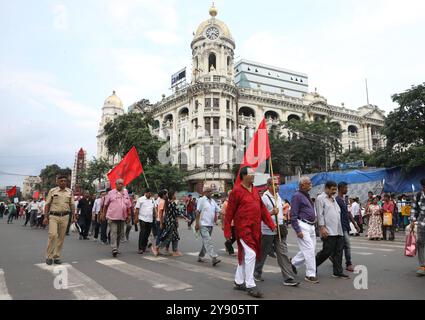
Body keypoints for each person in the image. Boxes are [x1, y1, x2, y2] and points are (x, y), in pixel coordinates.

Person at [225, 166, 276, 298]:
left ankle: (238, 281)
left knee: (245, 255)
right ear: (243, 176)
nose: (253, 176)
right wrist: (227, 231)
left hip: (255, 228)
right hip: (242, 228)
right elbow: (229, 212)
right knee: (251, 253)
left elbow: (262, 209)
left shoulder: (254, 190)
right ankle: (250, 284)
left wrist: (271, 224)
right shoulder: (236, 191)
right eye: (251, 174)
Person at [254, 177, 299, 286]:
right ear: (268, 186)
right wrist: (271, 212)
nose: (277, 186)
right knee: (263, 253)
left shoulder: (278, 196)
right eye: (274, 184)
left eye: (277, 184)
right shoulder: (264, 198)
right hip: (267, 230)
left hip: (280, 228)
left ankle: (288, 277)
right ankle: (256, 272)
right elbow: (258, 215)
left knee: (283, 253)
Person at [315, 181, 349, 279]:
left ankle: (338, 272)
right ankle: (312, 266)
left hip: (338, 229)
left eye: (335, 189)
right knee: (327, 251)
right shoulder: (320, 199)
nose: (334, 192)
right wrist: (322, 227)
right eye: (332, 189)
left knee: (339, 252)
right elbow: (320, 214)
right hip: (328, 230)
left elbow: (337, 212)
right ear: (326, 188)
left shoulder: (333, 199)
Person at [290, 177, 319, 284]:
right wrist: (298, 230)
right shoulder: (297, 196)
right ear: (302, 185)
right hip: (302, 225)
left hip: (311, 226)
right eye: (308, 183)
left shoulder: (306, 195)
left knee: (310, 249)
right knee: (309, 251)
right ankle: (310, 274)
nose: (311, 184)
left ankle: (293, 263)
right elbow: (293, 214)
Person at [43, 175, 76, 265]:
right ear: (57, 182)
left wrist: (74, 216)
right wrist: (45, 217)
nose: (63, 182)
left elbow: (72, 204)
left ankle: (56, 256)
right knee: (53, 235)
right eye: (61, 181)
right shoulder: (52, 191)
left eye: (65, 181)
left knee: (61, 237)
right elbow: (47, 204)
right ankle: (49, 256)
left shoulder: (70, 192)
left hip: (65, 216)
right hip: (53, 216)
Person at [100, 179, 131, 257]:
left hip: (122, 216)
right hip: (112, 216)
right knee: (114, 232)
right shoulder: (110, 193)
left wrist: (129, 215)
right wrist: (103, 214)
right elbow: (106, 205)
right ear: (116, 184)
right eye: (119, 183)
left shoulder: (125, 192)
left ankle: (116, 248)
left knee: (119, 233)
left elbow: (128, 205)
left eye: (122, 184)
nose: (121, 185)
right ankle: (114, 248)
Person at [335, 182, 359, 273]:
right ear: (340, 188)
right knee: (346, 245)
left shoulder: (346, 200)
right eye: (345, 188)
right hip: (339, 226)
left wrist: (355, 225)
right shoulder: (336, 200)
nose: (347, 189)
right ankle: (348, 263)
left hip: (346, 225)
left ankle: (335, 258)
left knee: (342, 245)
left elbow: (349, 213)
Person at [195, 186, 221, 265]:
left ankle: (200, 256)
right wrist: (197, 223)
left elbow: (218, 210)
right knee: (208, 241)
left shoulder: (212, 201)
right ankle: (214, 257)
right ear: (205, 192)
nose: (211, 193)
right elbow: (197, 212)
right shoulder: (201, 200)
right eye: (209, 191)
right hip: (203, 224)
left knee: (206, 242)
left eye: (211, 191)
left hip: (210, 224)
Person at [159, 190, 183, 257]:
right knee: (168, 237)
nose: (176, 196)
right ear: (172, 196)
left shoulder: (168, 202)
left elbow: (174, 213)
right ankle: (158, 248)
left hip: (171, 221)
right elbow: (177, 213)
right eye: (175, 194)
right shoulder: (172, 203)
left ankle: (174, 250)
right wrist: (185, 218)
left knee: (175, 237)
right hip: (171, 222)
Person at [410, 178, 425, 277]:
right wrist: (412, 220)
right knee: (420, 243)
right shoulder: (418, 195)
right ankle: (422, 266)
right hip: (422, 223)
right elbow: (413, 209)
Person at [134, 189, 156, 254]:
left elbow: (154, 208)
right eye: (149, 193)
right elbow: (137, 209)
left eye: (150, 193)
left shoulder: (152, 200)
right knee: (143, 233)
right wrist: (136, 218)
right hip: (142, 218)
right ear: (145, 193)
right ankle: (140, 248)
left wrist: (156, 215)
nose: (150, 194)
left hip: (150, 219)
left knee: (147, 233)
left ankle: (144, 247)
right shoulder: (140, 199)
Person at [222, 191, 236, 255]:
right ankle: (231, 251)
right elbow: (222, 214)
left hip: (234, 223)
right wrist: (222, 225)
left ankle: (227, 244)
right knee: (228, 237)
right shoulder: (225, 203)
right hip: (227, 223)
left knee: (235, 237)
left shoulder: (235, 203)